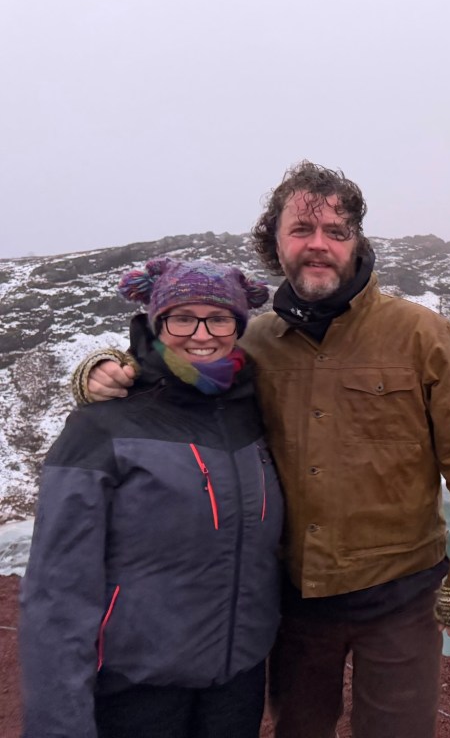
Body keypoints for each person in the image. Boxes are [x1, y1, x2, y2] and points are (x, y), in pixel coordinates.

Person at [76, 161, 450, 738]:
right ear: (275, 243)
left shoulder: (422, 334)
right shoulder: (256, 341)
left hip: (402, 593)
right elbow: (183, 384)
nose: (318, 244)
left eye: (336, 231)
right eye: (301, 230)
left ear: (356, 242)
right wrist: (109, 371)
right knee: (298, 729)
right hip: (293, 598)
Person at [21, 258, 283, 738]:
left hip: (237, 682)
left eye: (219, 318)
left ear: (239, 326)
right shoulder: (103, 424)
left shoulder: (253, 409)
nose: (201, 334)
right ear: (157, 323)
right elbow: (57, 592)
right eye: (182, 318)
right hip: (137, 689)